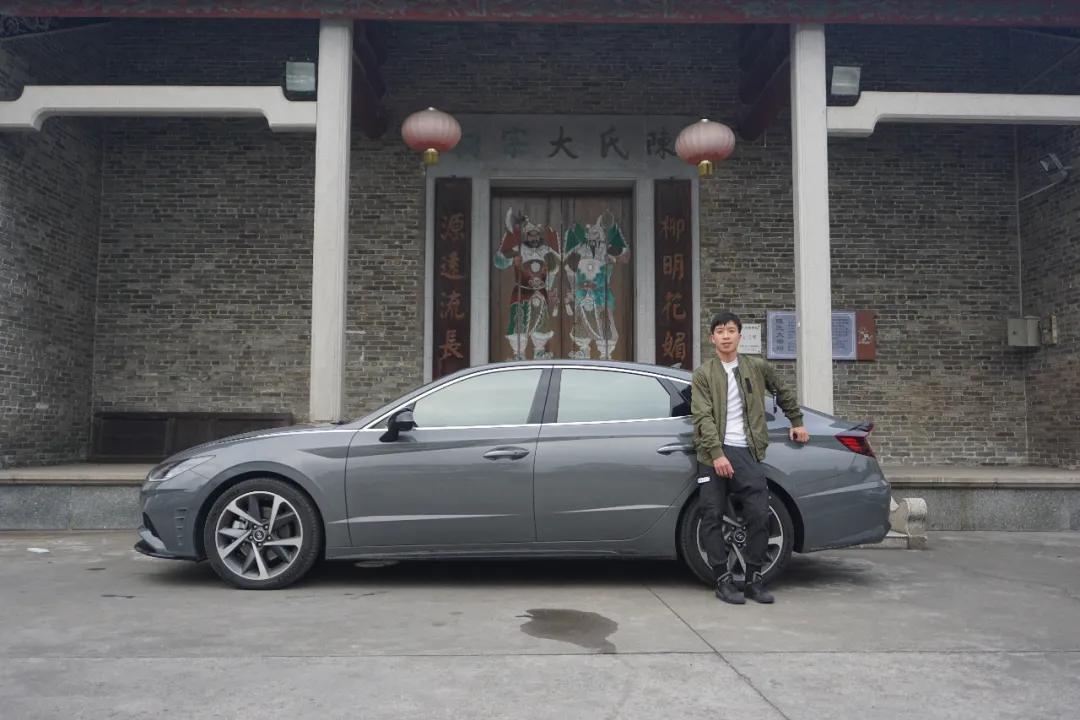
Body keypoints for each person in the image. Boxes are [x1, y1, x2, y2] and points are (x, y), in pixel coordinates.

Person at [691, 311, 809, 604]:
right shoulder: (703, 374)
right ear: (712, 338)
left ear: (739, 336)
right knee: (711, 515)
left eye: (731, 330)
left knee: (759, 513)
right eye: (720, 331)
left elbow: (782, 390)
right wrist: (717, 454)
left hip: (747, 451)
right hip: (712, 453)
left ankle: (754, 579)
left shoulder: (756, 367)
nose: (726, 336)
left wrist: (796, 421)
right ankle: (723, 580)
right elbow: (702, 416)